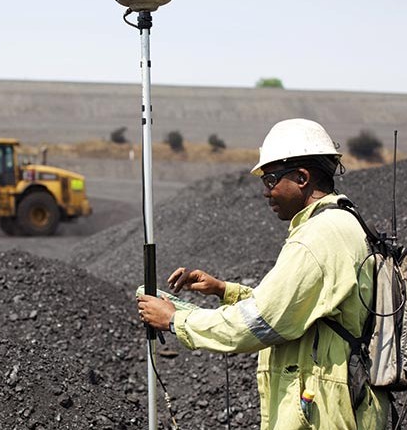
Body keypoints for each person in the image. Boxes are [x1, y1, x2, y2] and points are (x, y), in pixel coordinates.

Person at [137, 118, 390, 429]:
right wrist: (223, 290)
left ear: (301, 177)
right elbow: (301, 308)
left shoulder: (319, 236)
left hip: (326, 412)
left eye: (271, 180)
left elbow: (262, 321)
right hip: (342, 402)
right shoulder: (342, 221)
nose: (266, 193)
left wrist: (176, 320)